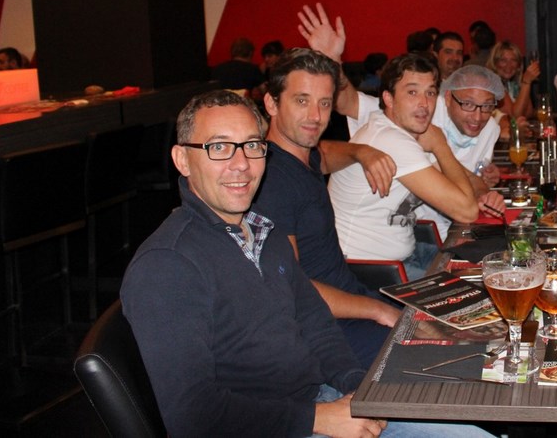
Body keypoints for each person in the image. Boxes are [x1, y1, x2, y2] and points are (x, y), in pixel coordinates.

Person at [120, 90, 493, 438]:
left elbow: (315, 323)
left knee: (473, 409)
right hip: (272, 426)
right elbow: (191, 416)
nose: (241, 164)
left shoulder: (262, 232)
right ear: (182, 160)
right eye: (219, 147)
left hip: (319, 400)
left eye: (252, 145)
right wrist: (319, 418)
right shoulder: (167, 266)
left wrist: (356, 385)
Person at [254, 48, 402, 368]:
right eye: (301, 100)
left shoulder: (300, 155)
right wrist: (377, 310)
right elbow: (292, 287)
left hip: (352, 301)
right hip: (327, 330)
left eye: (324, 103)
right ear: (271, 104)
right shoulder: (270, 183)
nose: (315, 116)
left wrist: (361, 151)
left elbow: (324, 154)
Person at [328, 53, 479, 279]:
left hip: (407, 254)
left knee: (485, 266)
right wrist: (440, 145)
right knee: (477, 284)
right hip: (366, 270)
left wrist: (484, 190)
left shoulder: (399, 131)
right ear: (389, 99)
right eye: (412, 92)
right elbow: (466, 211)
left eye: (430, 93)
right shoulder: (390, 139)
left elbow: (460, 180)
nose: (424, 103)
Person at [415, 65, 507, 239]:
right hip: (419, 228)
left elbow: (475, 177)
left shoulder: (490, 129)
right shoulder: (426, 117)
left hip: (458, 225)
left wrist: (485, 195)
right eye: (468, 104)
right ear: (448, 98)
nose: (477, 117)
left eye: (487, 106)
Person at [487, 40, 538, 119]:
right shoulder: (492, 84)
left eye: (513, 60)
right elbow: (513, 117)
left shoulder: (512, 84)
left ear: (518, 65)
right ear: (495, 63)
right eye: (503, 60)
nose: (509, 65)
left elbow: (529, 113)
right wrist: (526, 83)